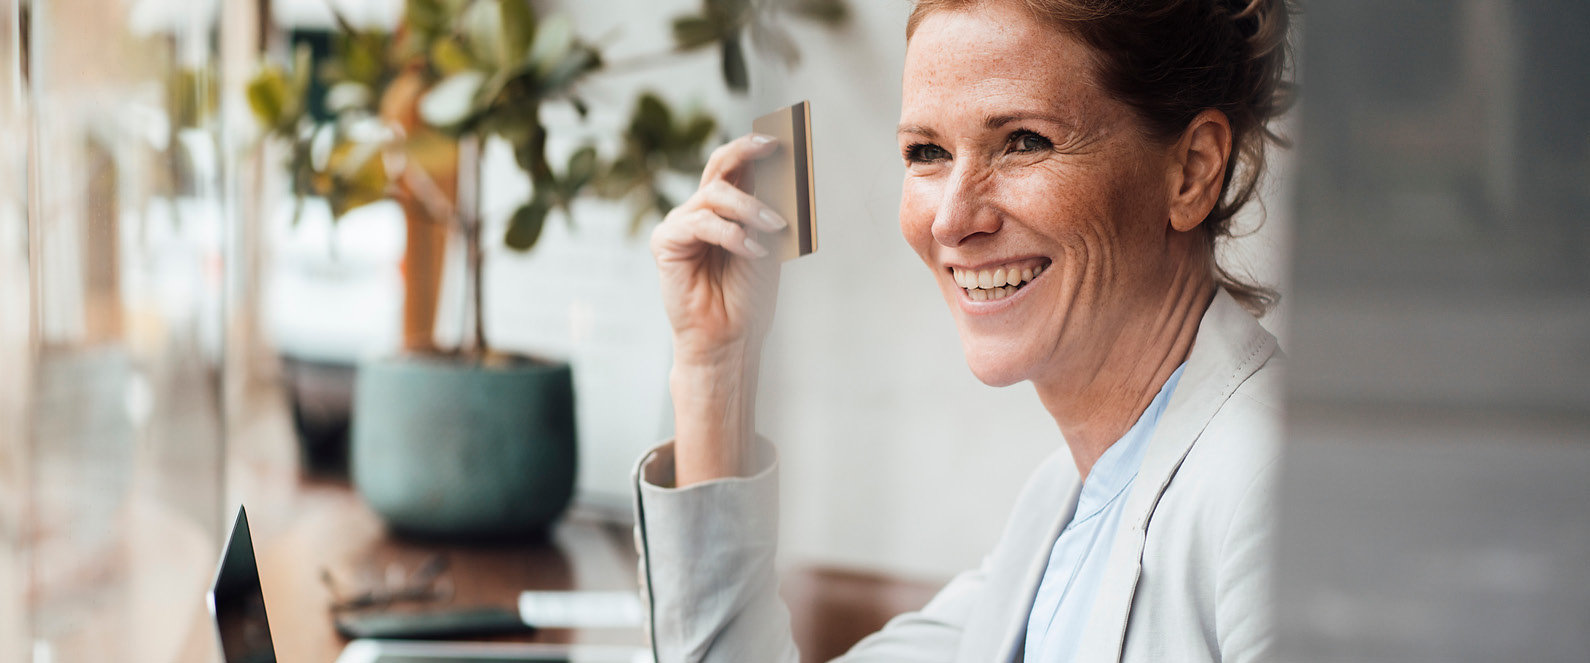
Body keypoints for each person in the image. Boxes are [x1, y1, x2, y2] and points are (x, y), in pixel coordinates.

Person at [633, 0, 1293, 660]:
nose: (951, 219)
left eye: (1023, 141)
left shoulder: (1268, 490)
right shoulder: (1058, 511)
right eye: (926, 152)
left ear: (1193, 169)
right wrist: (714, 361)